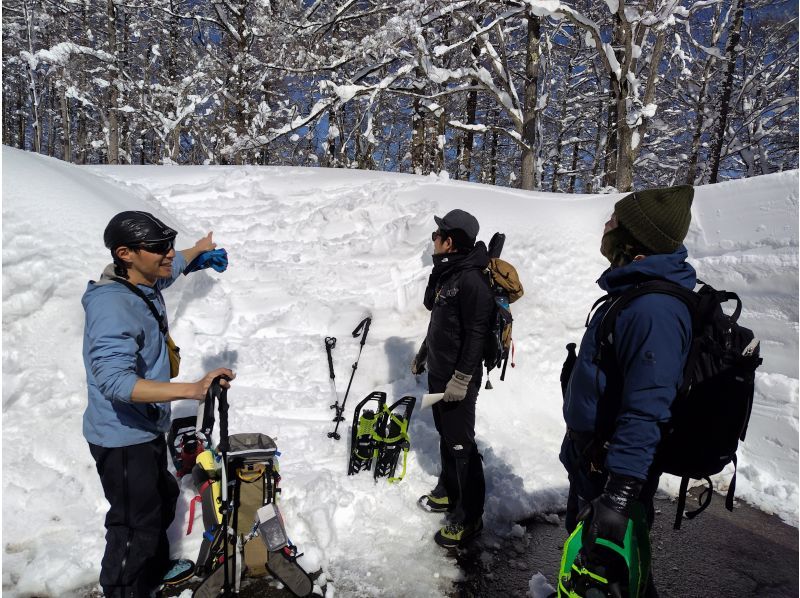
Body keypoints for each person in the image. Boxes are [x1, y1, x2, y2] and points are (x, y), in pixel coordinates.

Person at [83, 210, 235, 597]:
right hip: (121, 437)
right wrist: (192, 389)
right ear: (125, 253)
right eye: (158, 248)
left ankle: (151, 574)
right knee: (134, 526)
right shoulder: (112, 306)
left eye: (169, 245)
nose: (168, 254)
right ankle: (124, 589)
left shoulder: (140, 281)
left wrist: (196, 252)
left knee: (163, 498)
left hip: (144, 426)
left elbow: (170, 265)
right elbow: (115, 381)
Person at [560, 185, 695, 596]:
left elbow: (649, 407)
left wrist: (618, 496)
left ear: (635, 240)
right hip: (594, 461)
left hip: (612, 471)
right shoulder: (632, 295)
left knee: (611, 578)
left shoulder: (653, 310)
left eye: (615, 221)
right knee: (593, 567)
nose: (606, 226)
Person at [412, 209, 495, 549]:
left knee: (462, 445)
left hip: (458, 379)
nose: (433, 239)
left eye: (438, 235)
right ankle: (449, 491)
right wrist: (425, 352)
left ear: (451, 241)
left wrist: (461, 378)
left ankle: (470, 517)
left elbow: (476, 334)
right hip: (440, 372)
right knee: (447, 436)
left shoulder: (472, 280)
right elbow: (440, 319)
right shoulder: (449, 273)